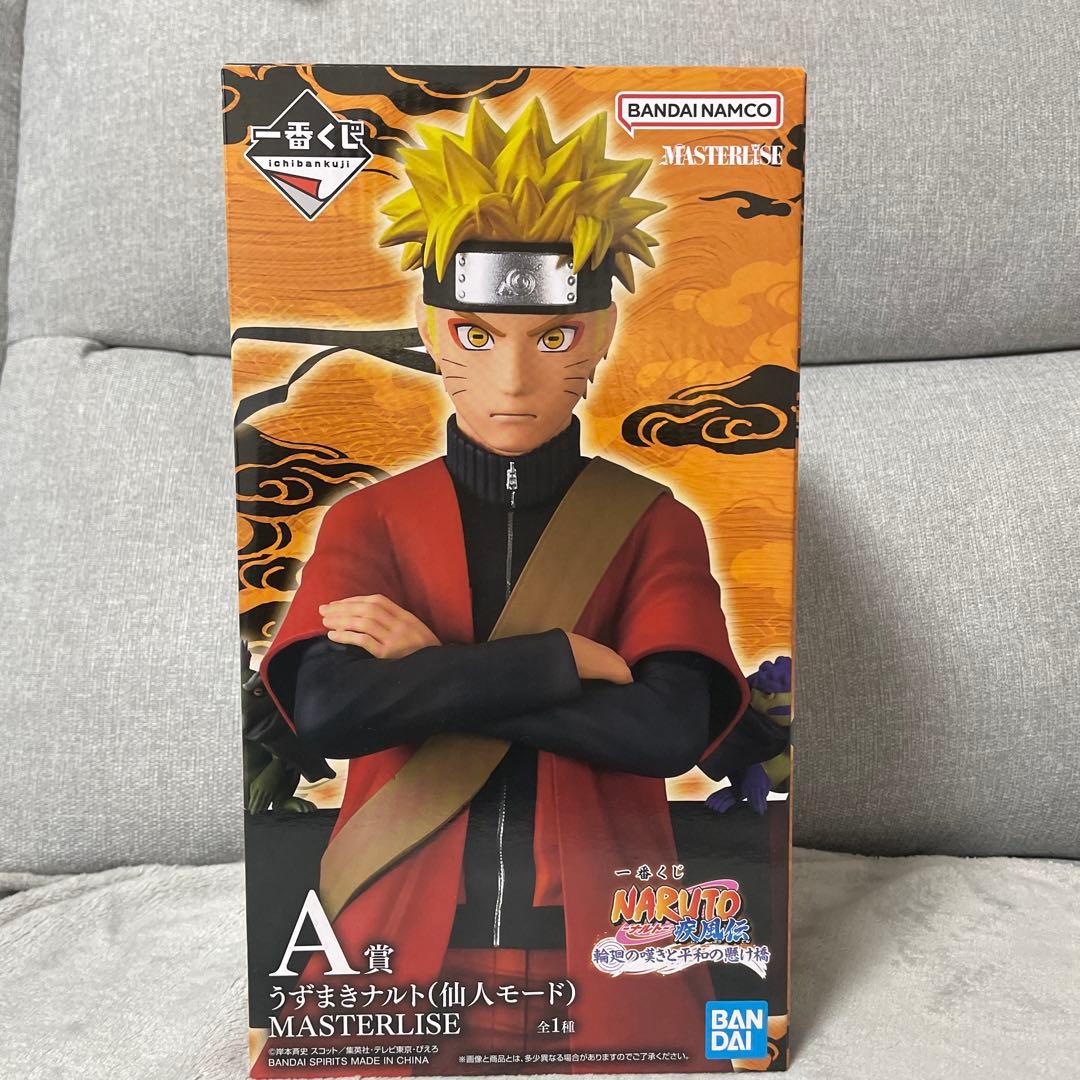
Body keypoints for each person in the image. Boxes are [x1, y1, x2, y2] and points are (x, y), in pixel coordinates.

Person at [259, 97, 750, 1065]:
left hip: (613, 966)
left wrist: (433, 669)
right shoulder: (369, 520)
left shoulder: (653, 522)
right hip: (389, 959)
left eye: (553, 337)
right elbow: (327, 710)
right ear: (431, 330)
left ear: (603, 332)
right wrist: (559, 661)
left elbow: (666, 730)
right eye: (478, 335)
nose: (515, 379)